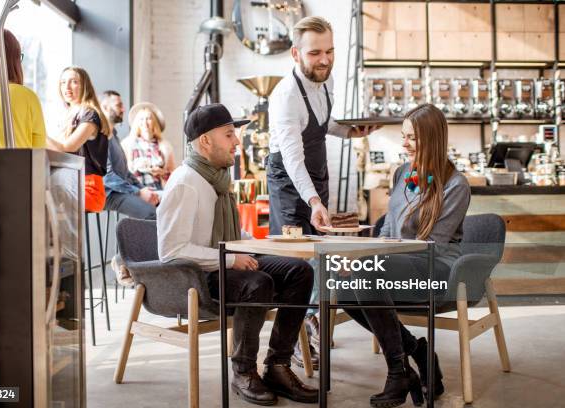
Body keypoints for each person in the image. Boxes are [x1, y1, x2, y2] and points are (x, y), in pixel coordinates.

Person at [158, 103, 318, 406]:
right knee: (257, 282)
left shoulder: (216, 179)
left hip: (224, 263)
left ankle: (278, 366)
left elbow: (230, 237)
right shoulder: (184, 183)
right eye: (229, 134)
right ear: (205, 141)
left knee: (300, 270)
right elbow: (171, 250)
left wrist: (264, 244)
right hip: (198, 277)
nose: (237, 142)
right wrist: (233, 259)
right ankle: (243, 371)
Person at [341, 104, 471, 407]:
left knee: (364, 272)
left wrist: (371, 261)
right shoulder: (401, 172)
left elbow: (431, 244)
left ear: (432, 139)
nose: (405, 144)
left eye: (412, 137)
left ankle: (398, 371)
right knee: (340, 282)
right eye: (403, 136)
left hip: (435, 267)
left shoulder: (456, 185)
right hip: (396, 263)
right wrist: (361, 254)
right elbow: (389, 228)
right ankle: (416, 351)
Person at [266, 16, 377, 363]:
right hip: (289, 182)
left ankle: (310, 324)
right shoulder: (285, 95)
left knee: (320, 257)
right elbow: (293, 158)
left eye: (329, 51)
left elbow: (323, 123)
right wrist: (312, 199)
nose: (325, 59)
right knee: (295, 263)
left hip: (317, 175)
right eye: (316, 53)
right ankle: (289, 347)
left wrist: (350, 132)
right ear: (296, 54)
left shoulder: (324, 82)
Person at [47, 66, 111, 213]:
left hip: (88, 189)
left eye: (73, 81)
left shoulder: (90, 115)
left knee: (40, 198)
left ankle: (59, 236)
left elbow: (67, 147)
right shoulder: (66, 116)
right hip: (69, 182)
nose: (67, 87)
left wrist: (36, 131)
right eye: (63, 82)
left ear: (85, 86)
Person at [100, 91, 160, 219]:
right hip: (109, 194)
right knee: (151, 214)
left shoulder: (114, 136)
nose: (123, 109)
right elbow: (108, 177)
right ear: (104, 108)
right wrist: (138, 193)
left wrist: (144, 190)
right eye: (118, 105)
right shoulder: (100, 137)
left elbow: (125, 173)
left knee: (161, 207)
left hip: (121, 191)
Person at [121, 102, 176, 192]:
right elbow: (121, 171)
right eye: (141, 119)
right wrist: (134, 168)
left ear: (154, 122)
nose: (145, 123)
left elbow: (174, 174)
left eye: (148, 119)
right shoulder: (127, 144)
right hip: (136, 191)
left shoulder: (165, 147)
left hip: (159, 191)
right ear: (136, 122)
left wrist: (161, 172)